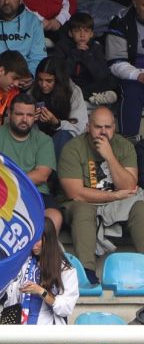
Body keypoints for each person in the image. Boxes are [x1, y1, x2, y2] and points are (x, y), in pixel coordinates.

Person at [59, 106, 144, 276]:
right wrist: (113, 195)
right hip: (84, 203)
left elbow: (129, 187)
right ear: (88, 127)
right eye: (98, 127)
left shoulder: (124, 146)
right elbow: (75, 193)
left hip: (118, 202)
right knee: (82, 210)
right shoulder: (73, 148)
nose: (103, 132)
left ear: (114, 127)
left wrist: (109, 156)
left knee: (140, 207)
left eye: (108, 127)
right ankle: (87, 273)